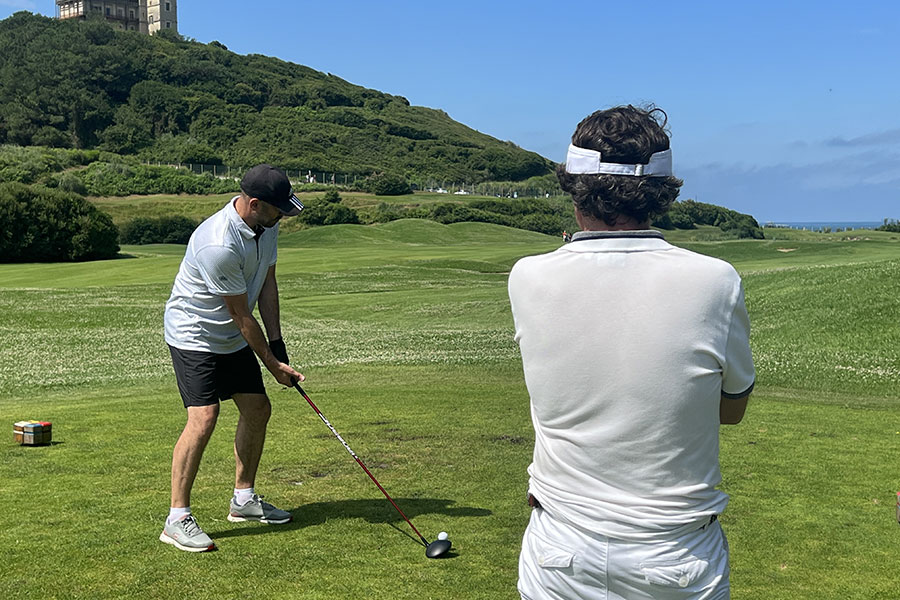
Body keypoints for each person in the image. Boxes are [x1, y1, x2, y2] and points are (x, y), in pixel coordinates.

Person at [508, 105, 755, 599]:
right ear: (661, 193)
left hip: (560, 546)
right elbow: (733, 411)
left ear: (574, 187)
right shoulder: (715, 280)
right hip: (674, 553)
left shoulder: (527, 276)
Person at [160, 164, 306, 552]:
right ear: (255, 204)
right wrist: (273, 367)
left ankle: (243, 501)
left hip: (231, 333)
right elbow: (241, 315)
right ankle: (176, 519)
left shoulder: (267, 226)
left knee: (258, 409)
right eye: (278, 210)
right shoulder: (218, 243)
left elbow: (268, 285)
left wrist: (278, 347)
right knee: (204, 417)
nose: (283, 217)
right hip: (196, 334)